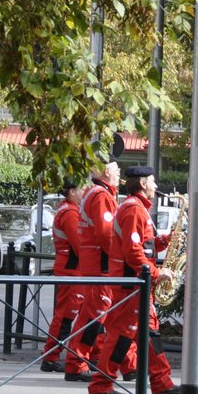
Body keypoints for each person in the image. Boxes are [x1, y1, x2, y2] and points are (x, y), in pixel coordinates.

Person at [89, 166, 180, 394]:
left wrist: (164, 240)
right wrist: (158, 271)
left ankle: (162, 384)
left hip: (137, 284)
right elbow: (132, 252)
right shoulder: (133, 210)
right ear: (142, 184)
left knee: (151, 335)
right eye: (152, 181)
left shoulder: (137, 209)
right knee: (120, 337)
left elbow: (143, 246)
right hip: (132, 286)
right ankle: (101, 385)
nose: (156, 186)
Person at [68, 159, 122, 382]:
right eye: (117, 169)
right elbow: (106, 233)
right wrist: (121, 257)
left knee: (98, 313)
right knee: (95, 313)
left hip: (97, 262)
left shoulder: (95, 193)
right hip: (101, 263)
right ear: (107, 171)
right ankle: (77, 361)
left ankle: (88, 359)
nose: (119, 173)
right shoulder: (101, 195)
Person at [40, 176, 89, 377]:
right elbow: (79, 244)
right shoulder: (69, 213)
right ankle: (51, 356)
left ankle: (52, 355)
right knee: (66, 316)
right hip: (71, 270)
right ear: (71, 192)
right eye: (82, 189)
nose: (85, 192)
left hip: (69, 268)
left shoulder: (67, 210)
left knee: (65, 315)